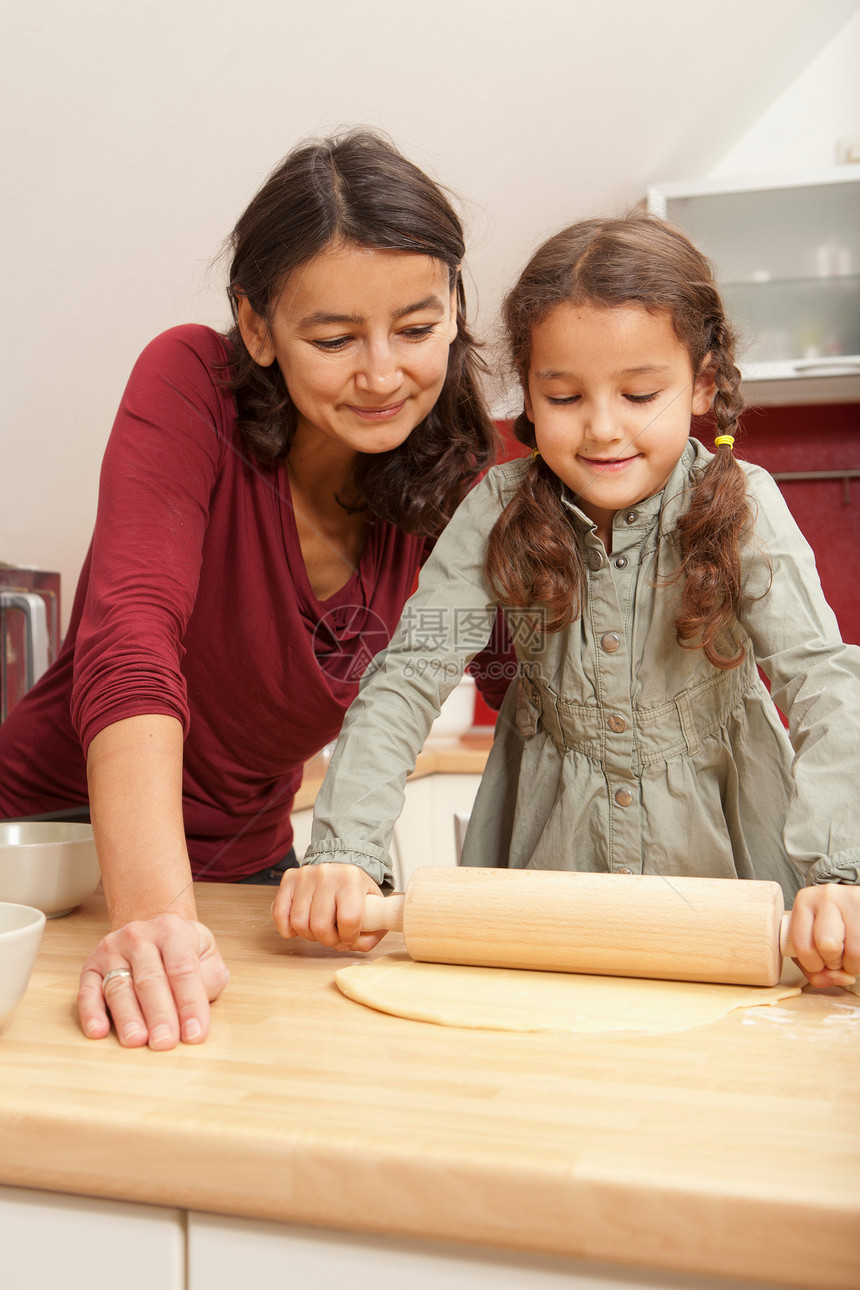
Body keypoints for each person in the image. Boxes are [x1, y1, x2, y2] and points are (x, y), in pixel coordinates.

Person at [0, 130, 499, 1048]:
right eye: (334, 337)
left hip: (248, 869)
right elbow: (131, 637)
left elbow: (545, 694)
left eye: (419, 329)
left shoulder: (468, 478)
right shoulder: (190, 382)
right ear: (259, 326)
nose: (384, 374)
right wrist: (151, 915)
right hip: (45, 854)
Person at [274, 212, 860, 990]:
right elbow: (409, 676)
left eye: (640, 391)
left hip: (734, 871)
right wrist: (344, 850)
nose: (603, 428)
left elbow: (821, 678)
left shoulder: (745, 505)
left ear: (704, 382)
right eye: (564, 395)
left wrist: (842, 870)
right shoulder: (494, 510)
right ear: (529, 391)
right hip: (545, 865)